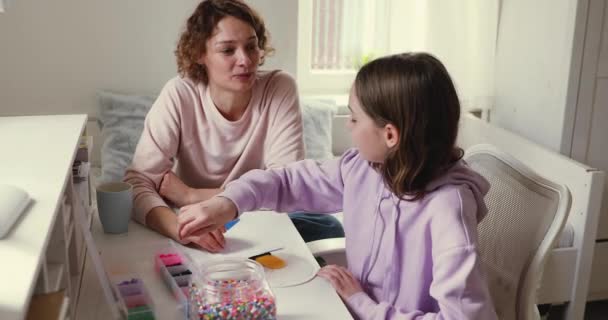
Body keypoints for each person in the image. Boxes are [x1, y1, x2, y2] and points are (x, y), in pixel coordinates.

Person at [176, 53, 499, 319]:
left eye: (355, 119)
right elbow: (289, 180)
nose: (348, 126)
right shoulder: (364, 168)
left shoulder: (447, 210)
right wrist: (228, 202)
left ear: (390, 135)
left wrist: (362, 304)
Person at [124, 0, 343, 253]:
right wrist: (180, 229)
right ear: (199, 54)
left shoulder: (279, 88)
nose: (245, 60)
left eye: (251, 46)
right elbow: (137, 183)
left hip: (260, 221)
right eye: (228, 50)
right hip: (197, 222)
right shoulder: (179, 95)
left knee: (329, 228)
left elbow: (287, 187)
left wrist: (191, 195)